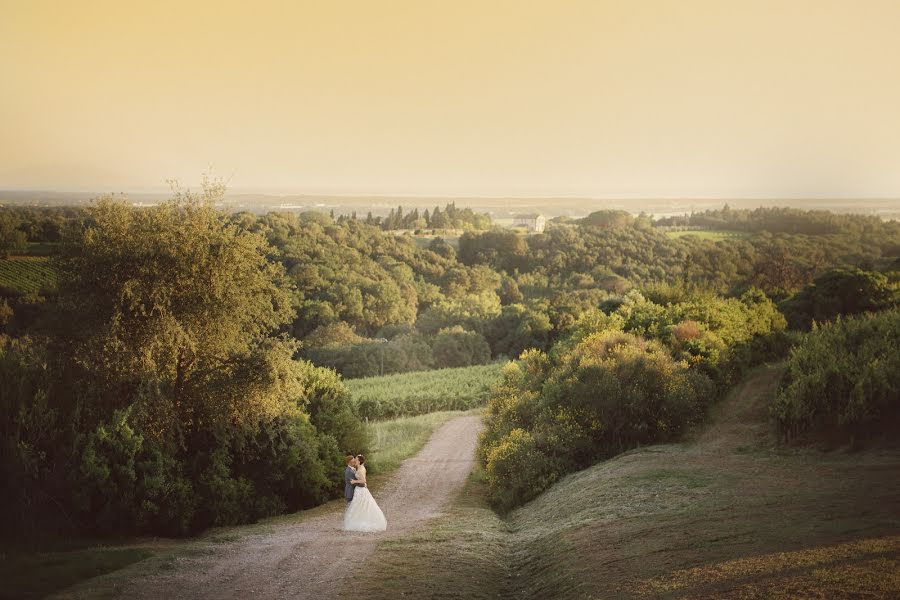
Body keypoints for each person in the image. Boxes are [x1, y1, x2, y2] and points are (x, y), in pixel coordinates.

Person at [343, 454, 387, 532]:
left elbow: (363, 481)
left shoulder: (360, 469)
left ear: (359, 461)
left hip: (360, 490)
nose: (355, 461)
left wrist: (355, 481)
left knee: (361, 505)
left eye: (356, 460)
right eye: (354, 460)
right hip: (357, 490)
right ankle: (358, 520)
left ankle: (359, 521)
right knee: (359, 506)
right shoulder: (356, 469)